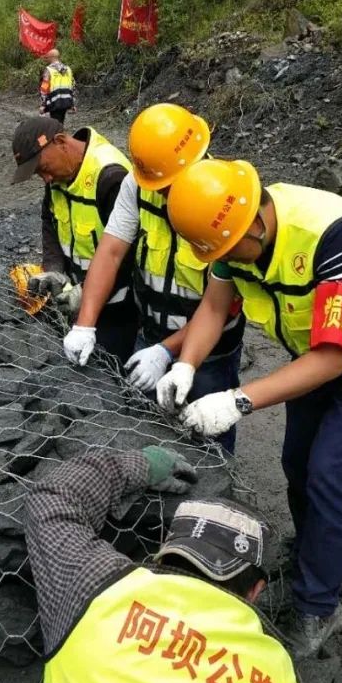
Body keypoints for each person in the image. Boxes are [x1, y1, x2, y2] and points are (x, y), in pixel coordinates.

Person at [155, 157, 342, 658]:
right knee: (297, 461)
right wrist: (185, 365)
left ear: (254, 226)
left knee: (330, 473)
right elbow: (215, 306)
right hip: (313, 348)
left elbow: (334, 358)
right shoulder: (231, 235)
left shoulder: (336, 237)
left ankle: (318, 607)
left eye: (227, 252)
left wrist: (239, 400)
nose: (226, 261)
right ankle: (316, 550)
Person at [26, 446, 299, 683]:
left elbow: (51, 498)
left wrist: (143, 465)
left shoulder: (97, 587)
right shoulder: (279, 673)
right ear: (256, 591)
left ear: (162, 555)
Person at [64, 103, 246, 454]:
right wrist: (85, 325)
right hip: (150, 334)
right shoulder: (138, 185)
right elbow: (111, 251)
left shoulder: (226, 202)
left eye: (167, 185)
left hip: (210, 351)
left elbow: (219, 307)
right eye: (157, 185)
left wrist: (167, 352)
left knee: (206, 436)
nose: (161, 193)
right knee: (143, 431)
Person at [10, 116, 139, 362]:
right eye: (38, 174)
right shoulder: (58, 177)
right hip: (77, 300)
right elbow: (49, 222)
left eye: (43, 168)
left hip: (119, 308)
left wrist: (84, 293)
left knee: (108, 369)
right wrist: (54, 270)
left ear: (60, 142)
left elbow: (128, 252)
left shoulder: (110, 176)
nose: (46, 179)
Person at [39, 48, 75, 124]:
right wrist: (72, 104)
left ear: (52, 57)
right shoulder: (68, 69)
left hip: (54, 102)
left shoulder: (49, 70)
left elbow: (44, 88)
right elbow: (73, 87)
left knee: (55, 124)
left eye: (47, 57)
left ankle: (58, 131)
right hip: (66, 101)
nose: (46, 59)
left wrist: (43, 105)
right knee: (60, 122)